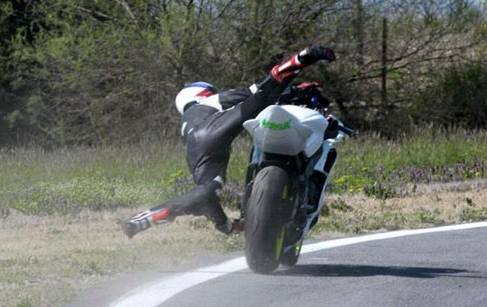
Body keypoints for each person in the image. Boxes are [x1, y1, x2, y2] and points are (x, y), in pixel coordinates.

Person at [120, 45, 336, 239]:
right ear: (203, 93)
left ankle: (147, 217)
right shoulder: (209, 101)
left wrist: (228, 227)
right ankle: (300, 59)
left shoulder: (187, 122)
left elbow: (208, 201)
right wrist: (296, 90)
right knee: (262, 96)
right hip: (214, 129)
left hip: (196, 150)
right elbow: (255, 91)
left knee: (208, 190)